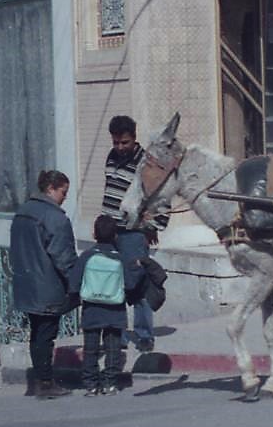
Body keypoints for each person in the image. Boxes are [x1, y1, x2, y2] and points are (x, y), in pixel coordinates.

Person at [9, 170, 78, 399]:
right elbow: (63, 256)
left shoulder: (23, 212)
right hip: (48, 285)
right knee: (46, 335)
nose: (65, 197)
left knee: (37, 333)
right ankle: (45, 382)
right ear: (50, 189)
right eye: (63, 192)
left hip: (26, 282)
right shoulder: (55, 218)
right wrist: (76, 283)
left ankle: (39, 380)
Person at [102, 115, 168, 353]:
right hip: (111, 233)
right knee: (114, 284)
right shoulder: (111, 157)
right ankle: (117, 335)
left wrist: (152, 226)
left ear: (134, 138)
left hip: (133, 232)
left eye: (125, 142)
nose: (120, 147)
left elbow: (161, 197)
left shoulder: (147, 163)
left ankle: (144, 335)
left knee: (139, 283)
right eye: (116, 142)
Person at [69, 215, 144, 396]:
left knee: (90, 348)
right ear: (116, 236)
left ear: (94, 234)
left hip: (91, 309)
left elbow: (73, 283)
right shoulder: (121, 258)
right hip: (115, 310)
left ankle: (91, 384)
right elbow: (130, 284)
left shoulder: (86, 256)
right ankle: (110, 383)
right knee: (113, 348)